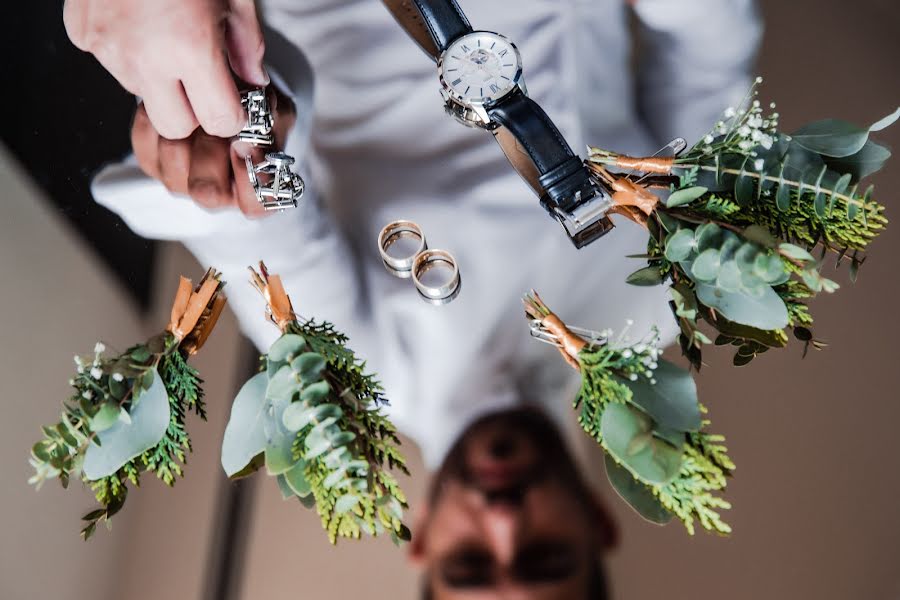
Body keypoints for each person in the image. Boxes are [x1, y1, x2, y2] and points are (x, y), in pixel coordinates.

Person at [71, 0, 761, 596]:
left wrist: (241, 141)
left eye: (468, 565)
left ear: (424, 541)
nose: (504, 517)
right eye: (544, 555)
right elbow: (706, 62)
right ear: (601, 524)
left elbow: (251, 222)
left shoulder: (351, 381)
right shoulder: (664, 299)